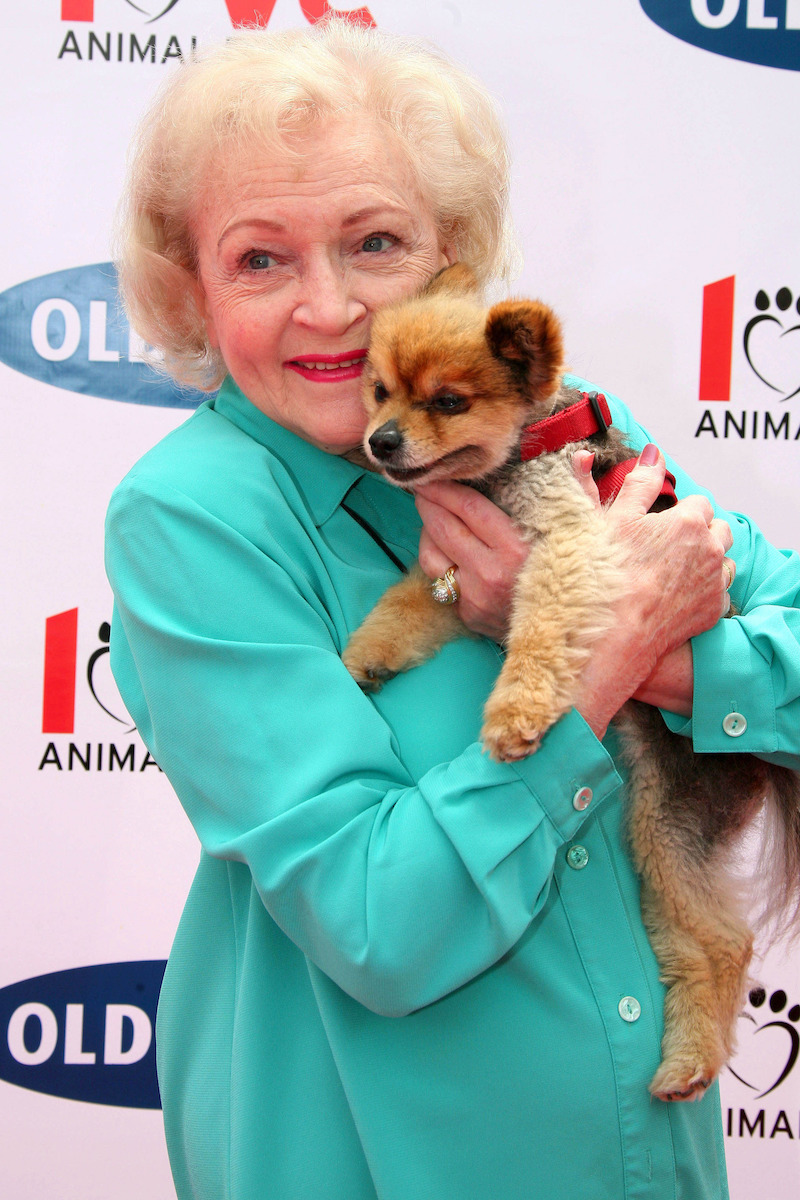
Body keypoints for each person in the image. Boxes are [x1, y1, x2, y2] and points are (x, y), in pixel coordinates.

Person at [104, 20, 800, 1200]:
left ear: (449, 257)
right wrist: (602, 651)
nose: (331, 310)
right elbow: (384, 923)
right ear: (191, 288)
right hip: (373, 1158)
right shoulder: (192, 521)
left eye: (374, 242)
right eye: (260, 260)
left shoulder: (567, 424)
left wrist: (674, 668)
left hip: (643, 1152)